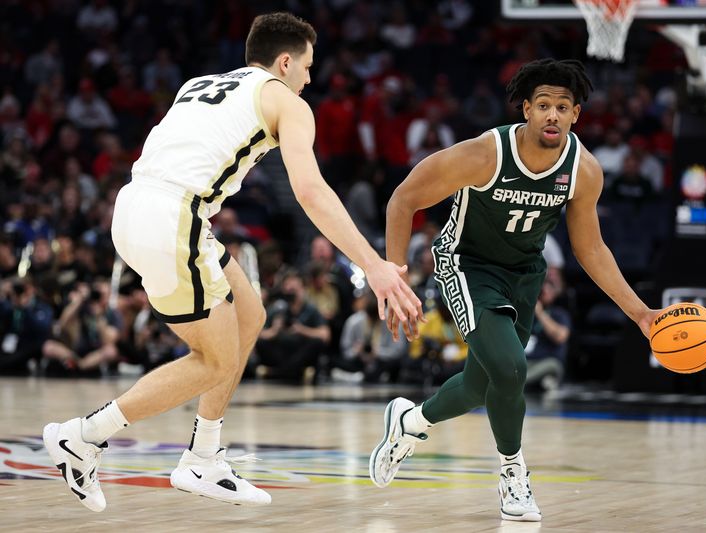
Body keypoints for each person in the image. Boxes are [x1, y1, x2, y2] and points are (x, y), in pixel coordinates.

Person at [43, 12, 422, 512]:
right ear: (285, 62)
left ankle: (204, 455)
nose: (309, 79)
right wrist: (372, 263)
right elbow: (309, 192)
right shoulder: (287, 100)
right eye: (307, 67)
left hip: (138, 204)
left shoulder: (200, 82)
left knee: (251, 314)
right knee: (213, 362)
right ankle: (84, 436)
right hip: (175, 216)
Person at [369, 59, 662, 522]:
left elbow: (591, 249)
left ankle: (409, 422)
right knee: (510, 368)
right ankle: (513, 473)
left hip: (525, 272)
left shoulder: (583, 171)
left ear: (575, 115)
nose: (552, 115)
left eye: (562, 107)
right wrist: (395, 277)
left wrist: (641, 314)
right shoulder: (485, 153)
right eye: (543, 105)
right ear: (526, 109)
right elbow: (403, 198)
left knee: (478, 385)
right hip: (467, 264)